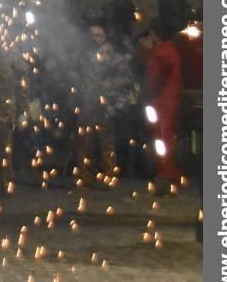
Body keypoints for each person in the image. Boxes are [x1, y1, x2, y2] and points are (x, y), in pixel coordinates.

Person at [75, 22, 136, 187]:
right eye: (92, 36)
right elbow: (77, 75)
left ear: (104, 37)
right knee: (85, 140)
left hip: (106, 103)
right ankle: (85, 175)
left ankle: (108, 176)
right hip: (87, 102)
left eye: (98, 36)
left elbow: (127, 78)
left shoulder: (114, 57)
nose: (94, 39)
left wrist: (109, 85)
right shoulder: (83, 56)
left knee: (106, 141)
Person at [137, 22, 184, 183]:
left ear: (156, 35)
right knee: (164, 134)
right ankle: (167, 169)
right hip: (168, 98)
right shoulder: (168, 51)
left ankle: (166, 171)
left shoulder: (160, 53)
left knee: (162, 135)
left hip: (162, 99)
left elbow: (154, 78)